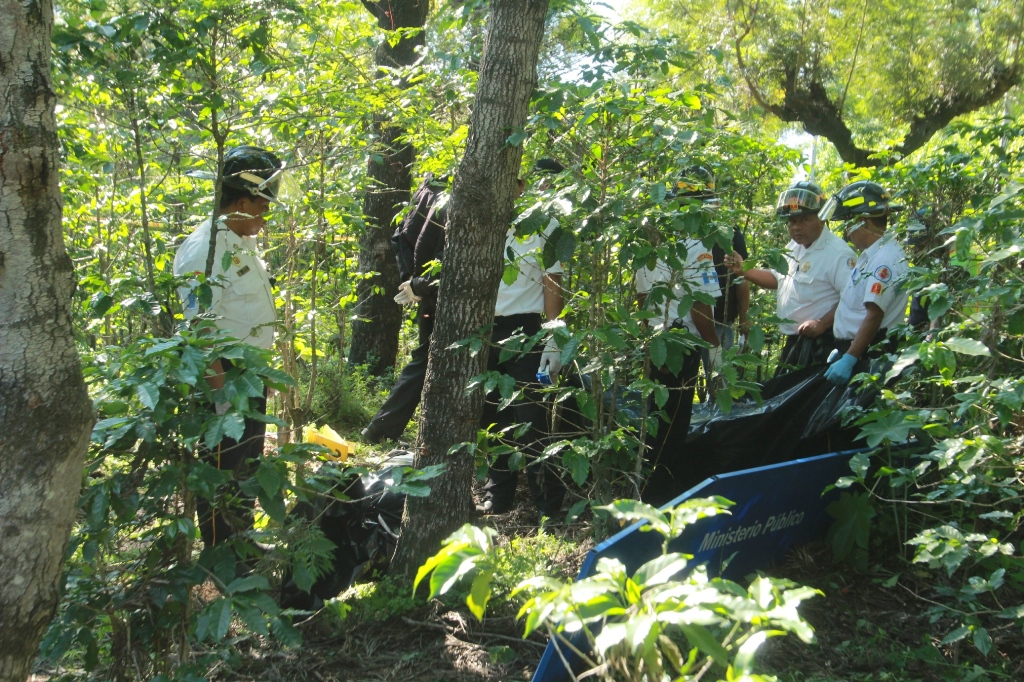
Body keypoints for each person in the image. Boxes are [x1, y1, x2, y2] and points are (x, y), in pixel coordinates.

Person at [174, 145, 286, 550]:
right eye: (261, 207)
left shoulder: (240, 239)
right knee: (224, 466)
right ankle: (223, 554)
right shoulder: (204, 250)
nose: (264, 217)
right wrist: (224, 399)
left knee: (248, 464)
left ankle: (243, 540)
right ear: (240, 203)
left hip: (250, 376)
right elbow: (200, 333)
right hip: (225, 382)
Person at [477, 159, 567, 517]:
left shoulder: (546, 225)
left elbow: (553, 282)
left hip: (528, 330)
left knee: (531, 419)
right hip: (488, 331)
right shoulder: (488, 220)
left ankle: (548, 502)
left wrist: (553, 335)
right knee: (491, 417)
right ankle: (497, 496)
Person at [636, 172, 723, 504]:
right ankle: (662, 497)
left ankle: (649, 491)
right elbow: (700, 308)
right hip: (679, 344)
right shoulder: (695, 247)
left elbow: (642, 301)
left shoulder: (649, 245)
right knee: (673, 426)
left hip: (654, 344)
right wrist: (714, 352)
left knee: (655, 420)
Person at [725, 181, 856, 373]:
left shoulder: (838, 253)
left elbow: (851, 298)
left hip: (824, 346)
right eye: (792, 221)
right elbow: (778, 279)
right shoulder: (794, 247)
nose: (796, 227)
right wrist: (743, 269)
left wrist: (823, 323)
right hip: (796, 344)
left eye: (804, 220)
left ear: (822, 218)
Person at [361, 174, 448, 444]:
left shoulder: (427, 192)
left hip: (426, 291)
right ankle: (380, 429)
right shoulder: (447, 198)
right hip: (434, 294)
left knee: (425, 359)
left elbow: (402, 236)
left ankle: (381, 429)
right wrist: (417, 284)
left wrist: (412, 281)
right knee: (425, 359)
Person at [817, 180, 909, 385]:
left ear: (863, 222)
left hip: (868, 357)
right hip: (856, 351)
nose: (848, 233)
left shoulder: (885, 259)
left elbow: (875, 313)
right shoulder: (870, 256)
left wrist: (851, 356)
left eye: (849, 225)